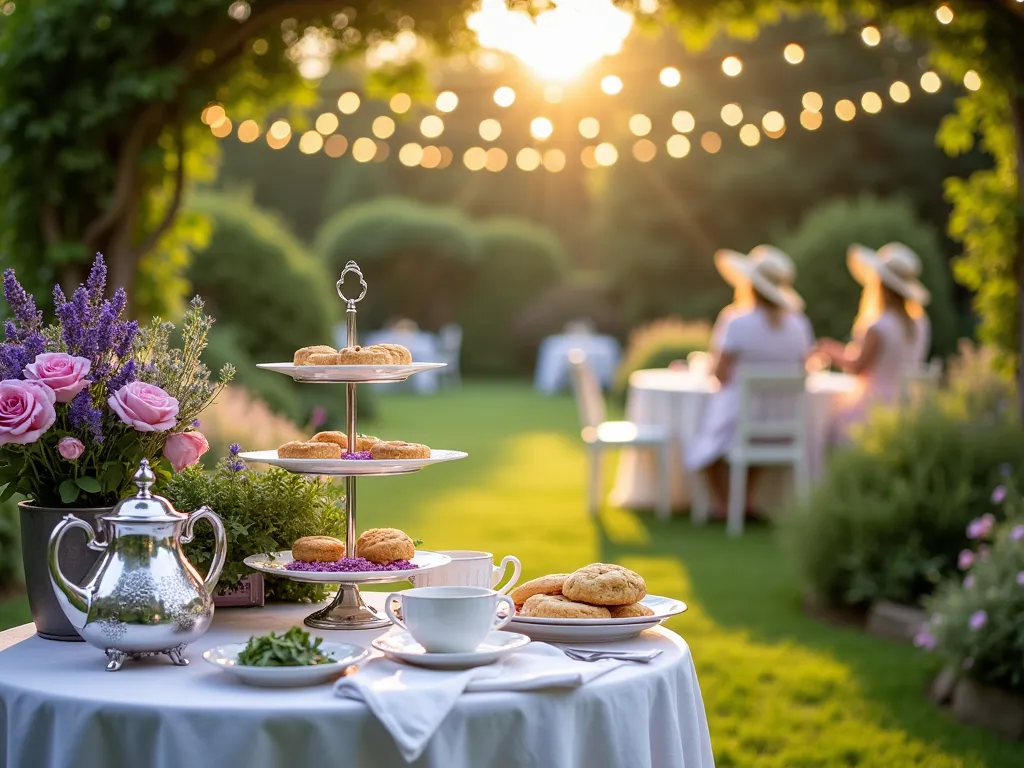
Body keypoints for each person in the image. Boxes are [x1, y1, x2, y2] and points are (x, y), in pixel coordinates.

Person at [686, 245, 814, 516]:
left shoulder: (736, 321)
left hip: (741, 420)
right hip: (783, 424)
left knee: (704, 434)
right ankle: (742, 504)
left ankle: (725, 505)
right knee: (744, 433)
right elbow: (806, 369)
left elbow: (719, 375)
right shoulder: (799, 325)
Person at [816, 242, 932, 423]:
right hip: (907, 409)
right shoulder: (921, 323)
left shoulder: (880, 326)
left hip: (874, 410)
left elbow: (856, 367)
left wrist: (828, 349)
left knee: (823, 417)